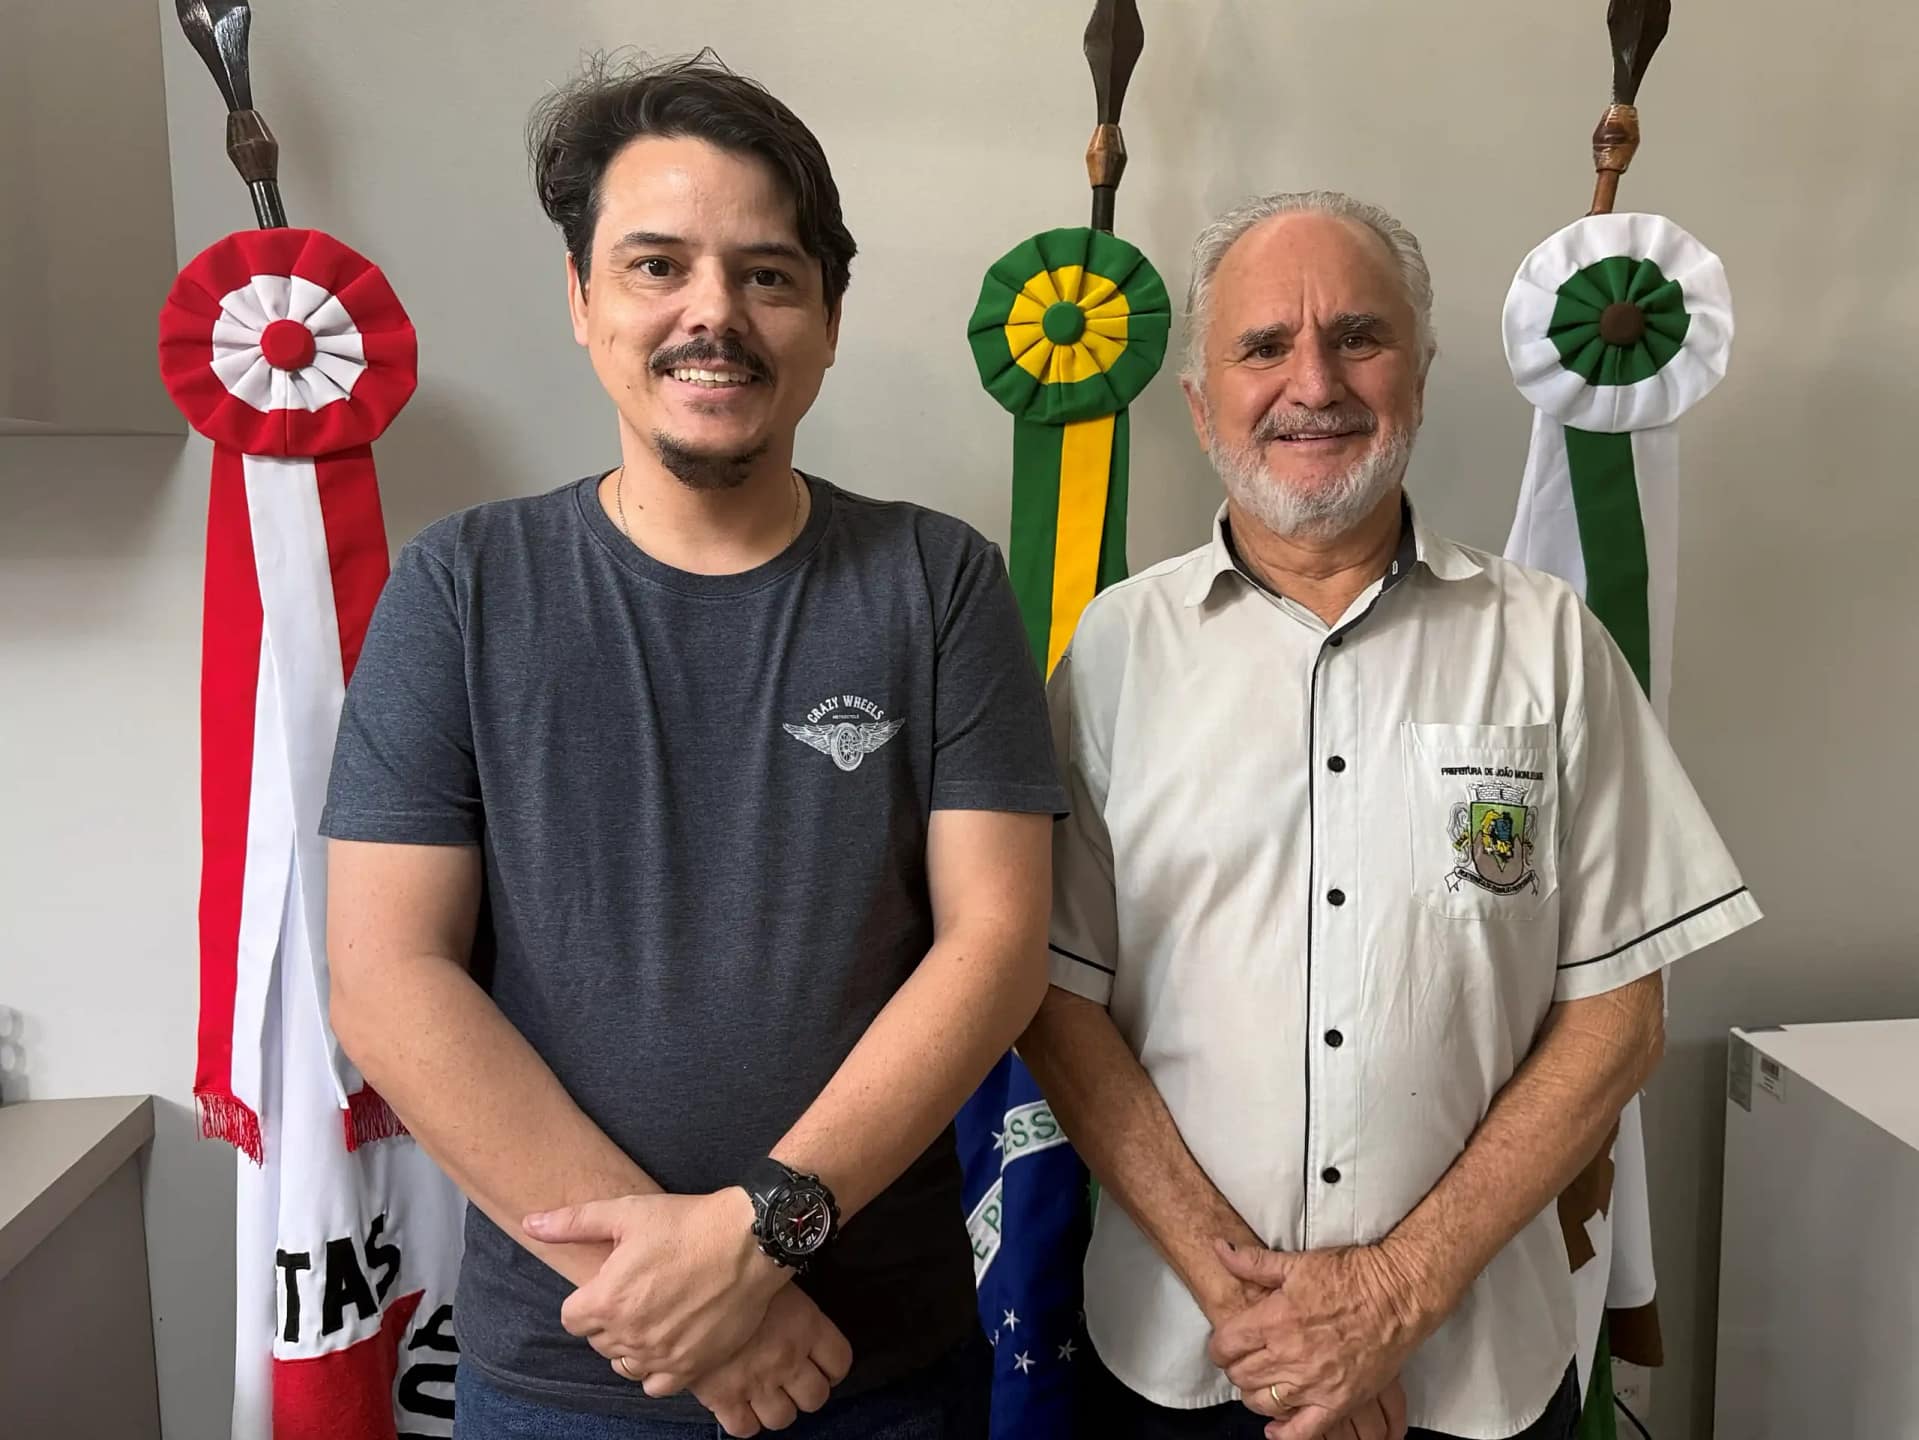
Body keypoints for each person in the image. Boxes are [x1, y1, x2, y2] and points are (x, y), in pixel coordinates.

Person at [319, 53, 1065, 1440]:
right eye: (656, 265)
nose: (712, 314)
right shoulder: (460, 586)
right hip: (565, 1375)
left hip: (879, 1367)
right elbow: (384, 977)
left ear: (827, 319)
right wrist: (691, 1305)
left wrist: (756, 1239)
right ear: (582, 300)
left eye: (768, 275)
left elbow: (995, 948)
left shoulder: (936, 581)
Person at [1016, 191, 1760, 1440]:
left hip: (1469, 1365)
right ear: (1200, 402)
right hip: (1186, 1355)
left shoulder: (1548, 645)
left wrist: (1393, 1296)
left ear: (1414, 377)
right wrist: (1265, 1312)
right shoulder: (1113, 651)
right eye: (1261, 347)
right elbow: (1053, 998)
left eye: (1356, 337)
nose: (1312, 382)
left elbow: (1618, 1018)